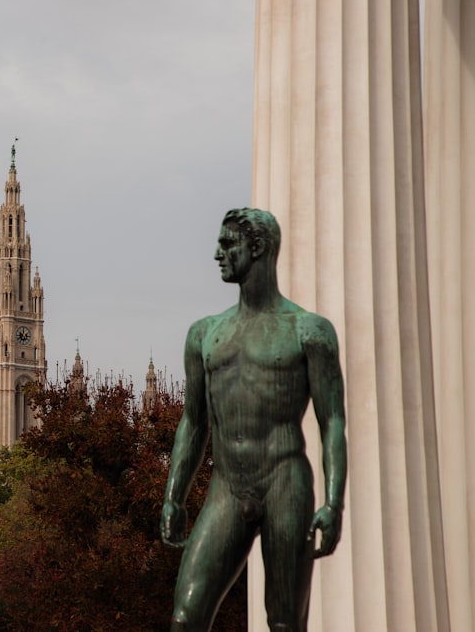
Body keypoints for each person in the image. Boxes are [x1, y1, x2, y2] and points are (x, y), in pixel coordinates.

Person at [161, 208, 347, 632]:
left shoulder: (309, 331)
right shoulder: (204, 334)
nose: (216, 254)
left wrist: (333, 502)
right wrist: (175, 494)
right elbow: (193, 423)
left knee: (284, 622)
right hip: (227, 486)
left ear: (258, 248)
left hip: (285, 481)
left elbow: (332, 420)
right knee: (185, 618)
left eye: (227, 244)